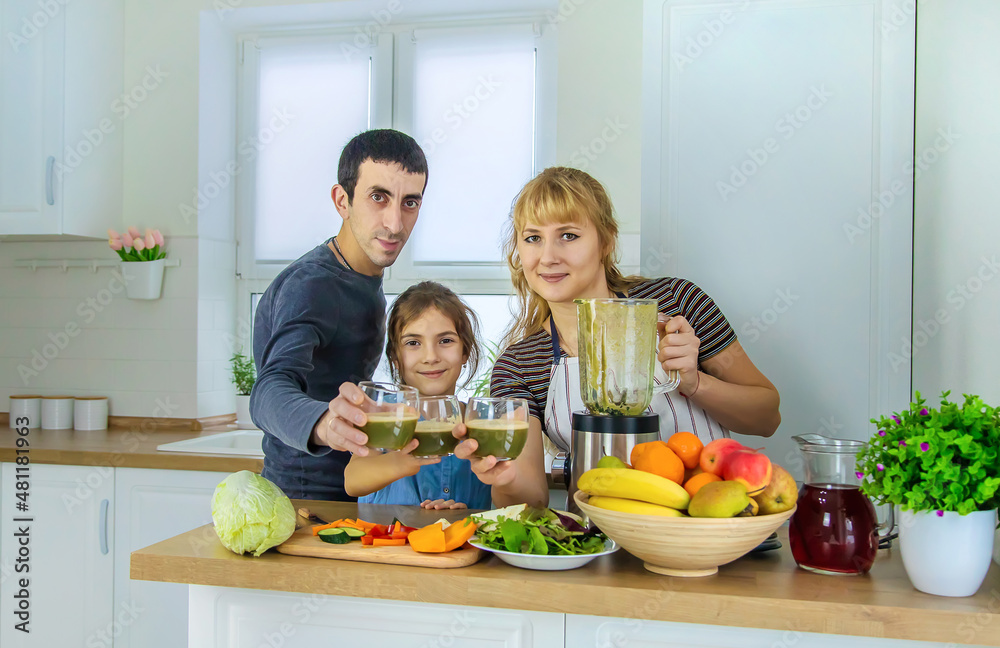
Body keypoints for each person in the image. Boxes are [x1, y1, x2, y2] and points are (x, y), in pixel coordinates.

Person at [453, 167, 781, 509]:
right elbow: (531, 499)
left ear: (606, 241)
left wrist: (695, 384)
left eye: (568, 235)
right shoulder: (520, 366)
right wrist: (505, 480)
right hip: (598, 545)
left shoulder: (676, 301)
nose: (548, 257)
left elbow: (767, 417)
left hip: (710, 526)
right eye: (533, 238)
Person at [251, 129, 428, 500]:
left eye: (409, 202)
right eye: (378, 197)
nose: (395, 224)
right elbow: (268, 392)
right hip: (304, 502)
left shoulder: (363, 275)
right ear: (342, 200)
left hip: (351, 493)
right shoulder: (312, 286)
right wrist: (325, 423)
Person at [344, 281, 492, 510]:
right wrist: (400, 462)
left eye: (445, 341)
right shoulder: (381, 414)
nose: (430, 356)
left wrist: (463, 518)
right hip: (386, 544)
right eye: (413, 343)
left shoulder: (484, 423)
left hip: (465, 543)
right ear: (395, 357)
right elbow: (353, 481)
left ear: (465, 352)